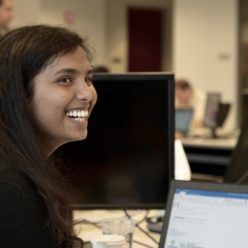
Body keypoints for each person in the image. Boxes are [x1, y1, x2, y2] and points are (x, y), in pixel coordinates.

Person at [0, 25, 97, 247]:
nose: (87, 94)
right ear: (19, 93)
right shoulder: (10, 191)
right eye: (65, 80)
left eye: (88, 79)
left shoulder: (23, 166)